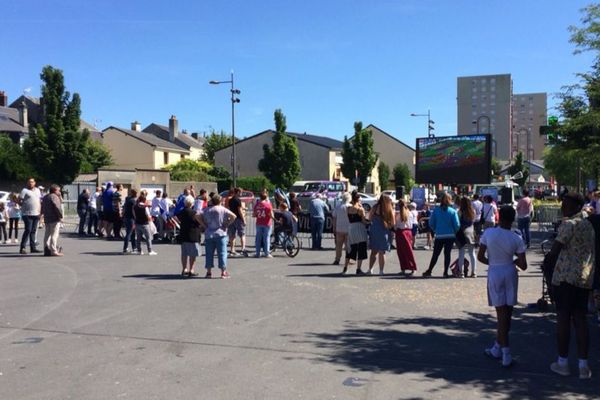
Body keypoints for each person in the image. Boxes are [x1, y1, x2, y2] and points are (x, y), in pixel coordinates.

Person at [546, 193, 595, 379]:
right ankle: (584, 366)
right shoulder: (588, 224)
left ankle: (563, 362)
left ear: (576, 206)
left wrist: (547, 266)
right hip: (584, 278)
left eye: (565, 204)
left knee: (563, 319)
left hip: (565, 278)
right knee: (581, 320)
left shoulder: (569, 224)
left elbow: (555, 251)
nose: (562, 206)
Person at [477, 206, 527, 368]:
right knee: (508, 313)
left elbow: (480, 256)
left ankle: (504, 351)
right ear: (513, 219)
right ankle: (499, 348)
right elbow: (524, 265)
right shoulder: (516, 238)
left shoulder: (489, 233)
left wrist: (492, 262)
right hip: (510, 271)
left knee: (501, 315)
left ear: (499, 217)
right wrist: (512, 261)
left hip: (495, 271)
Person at [422, 193, 460, 278]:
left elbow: (431, 223)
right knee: (447, 254)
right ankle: (445, 272)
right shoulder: (453, 211)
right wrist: (454, 231)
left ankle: (429, 270)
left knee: (435, 254)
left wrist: (436, 230)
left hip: (439, 236)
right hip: (450, 236)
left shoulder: (436, 210)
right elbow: (457, 225)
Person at [199, 194, 237, 279]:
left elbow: (197, 215)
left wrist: (204, 225)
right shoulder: (223, 209)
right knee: (222, 253)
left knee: (209, 254)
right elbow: (234, 216)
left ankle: (209, 272)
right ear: (220, 201)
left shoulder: (207, 209)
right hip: (221, 233)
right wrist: (227, 224)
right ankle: (223, 272)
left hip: (209, 233)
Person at [176, 195, 203, 277]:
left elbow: (177, 218)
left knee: (184, 253)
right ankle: (191, 269)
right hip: (193, 234)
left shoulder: (181, 212)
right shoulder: (194, 213)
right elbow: (199, 222)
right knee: (193, 253)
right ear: (192, 203)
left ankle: (184, 269)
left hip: (184, 233)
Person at [368, 194, 395, 275]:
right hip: (384, 231)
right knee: (382, 252)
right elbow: (393, 223)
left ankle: (370, 269)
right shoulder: (389, 208)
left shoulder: (375, 207)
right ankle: (381, 271)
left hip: (375, 230)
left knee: (373, 251)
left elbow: (370, 218)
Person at [342, 191, 369, 275]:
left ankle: (345, 268)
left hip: (351, 228)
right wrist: (369, 222)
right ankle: (358, 269)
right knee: (361, 247)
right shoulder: (360, 209)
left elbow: (349, 218)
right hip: (359, 228)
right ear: (358, 200)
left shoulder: (348, 208)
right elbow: (364, 220)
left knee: (351, 247)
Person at [19, 178, 42, 254]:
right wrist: (22, 206)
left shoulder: (38, 190)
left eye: (32, 182)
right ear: (27, 183)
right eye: (29, 182)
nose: (30, 183)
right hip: (27, 214)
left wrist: (40, 212)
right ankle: (23, 247)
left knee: (33, 231)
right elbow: (19, 200)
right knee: (28, 230)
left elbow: (39, 201)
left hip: (36, 213)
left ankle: (33, 248)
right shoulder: (24, 190)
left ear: (35, 183)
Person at [394, 199, 417, 275]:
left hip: (401, 233)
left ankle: (404, 268)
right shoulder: (410, 213)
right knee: (408, 251)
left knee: (401, 252)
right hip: (408, 232)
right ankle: (412, 268)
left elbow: (396, 226)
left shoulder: (399, 214)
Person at [457, 196, 478, 278]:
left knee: (461, 253)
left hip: (462, 232)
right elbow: (474, 221)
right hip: (470, 232)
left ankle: (461, 272)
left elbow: (458, 222)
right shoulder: (473, 211)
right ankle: (474, 272)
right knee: (472, 253)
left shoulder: (460, 211)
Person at [41, 184, 64, 256]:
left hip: (47, 218)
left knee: (47, 235)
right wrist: (60, 216)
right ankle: (53, 251)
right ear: (55, 190)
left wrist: (42, 215)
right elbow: (57, 207)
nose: (59, 192)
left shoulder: (45, 197)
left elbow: (42, 207)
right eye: (58, 190)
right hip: (54, 219)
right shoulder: (54, 196)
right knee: (54, 235)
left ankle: (46, 250)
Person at [253, 190, 274, 258]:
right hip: (267, 223)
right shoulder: (268, 205)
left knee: (258, 238)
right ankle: (267, 253)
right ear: (266, 197)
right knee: (266, 238)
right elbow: (271, 215)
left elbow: (254, 214)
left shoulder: (257, 204)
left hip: (259, 222)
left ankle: (257, 253)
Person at [332, 192, 351, 265]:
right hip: (348, 229)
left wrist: (334, 228)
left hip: (339, 229)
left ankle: (337, 259)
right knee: (348, 246)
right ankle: (348, 259)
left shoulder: (338, 207)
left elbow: (334, 217)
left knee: (338, 246)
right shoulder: (350, 206)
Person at [227, 187, 248, 256]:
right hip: (238, 219)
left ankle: (232, 250)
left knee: (232, 235)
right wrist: (244, 220)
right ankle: (243, 249)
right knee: (242, 234)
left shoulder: (230, 200)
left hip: (232, 218)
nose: (241, 194)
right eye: (241, 192)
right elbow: (240, 211)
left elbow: (229, 209)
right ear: (238, 192)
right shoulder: (238, 200)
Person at [122, 188, 137, 254]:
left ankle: (134, 247)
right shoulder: (133, 201)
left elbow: (124, 208)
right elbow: (134, 211)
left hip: (126, 217)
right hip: (131, 218)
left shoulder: (127, 199)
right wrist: (136, 218)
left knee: (132, 233)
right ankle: (125, 248)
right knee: (129, 233)